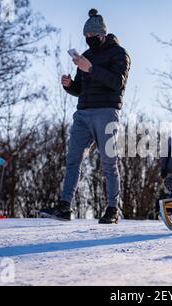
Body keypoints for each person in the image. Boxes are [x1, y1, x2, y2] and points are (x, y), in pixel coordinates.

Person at [40, 9, 131, 224]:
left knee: (109, 162)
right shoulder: (86, 55)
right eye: (85, 37)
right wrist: (70, 85)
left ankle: (112, 209)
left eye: (91, 36)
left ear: (101, 34)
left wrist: (90, 69)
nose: (88, 40)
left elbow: (117, 82)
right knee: (73, 159)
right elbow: (80, 88)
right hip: (82, 113)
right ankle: (64, 206)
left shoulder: (119, 53)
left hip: (106, 112)